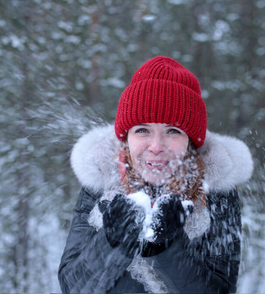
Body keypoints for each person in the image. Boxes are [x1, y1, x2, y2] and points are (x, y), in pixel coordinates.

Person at [58, 56, 253, 293]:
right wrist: (111, 243)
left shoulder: (216, 192)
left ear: (190, 141)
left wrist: (169, 247)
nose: (156, 146)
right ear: (127, 138)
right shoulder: (101, 182)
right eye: (142, 130)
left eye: (172, 131)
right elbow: (72, 287)